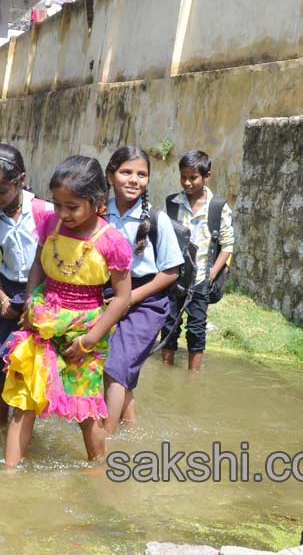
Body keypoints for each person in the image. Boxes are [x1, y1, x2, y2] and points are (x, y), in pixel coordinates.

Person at [2, 156, 132, 470]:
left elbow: (122, 298)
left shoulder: (112, 243)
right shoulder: (49, 224)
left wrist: (89, 341)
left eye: (71, 207)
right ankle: (7, 475)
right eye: (57, 204)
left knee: (85, 410)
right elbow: (37, 265)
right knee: (25, 401)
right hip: (42, 324)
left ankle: (98, 472)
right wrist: (32, 304)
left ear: (97, 202)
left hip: (85, 332)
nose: (62, 213)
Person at [102, 146, 184, 432]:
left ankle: (106, 443)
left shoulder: (157, 220)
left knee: (114, 368)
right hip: (108, 296)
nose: (134, 179)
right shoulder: (100, 215)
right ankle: (132, 433)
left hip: (147, 300)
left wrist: (131, 298)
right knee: (122, 369)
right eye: (126, 172)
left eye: (142, 174)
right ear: (111, 175)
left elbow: (171, 271)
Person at [0, 144, 52, 425]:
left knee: (35, 367)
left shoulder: (46, 213)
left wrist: (37, 304)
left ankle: (25, 432)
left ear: (21, 180)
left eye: (1, 191)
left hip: (44, 295)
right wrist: (1, 297)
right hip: (8, 293)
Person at [159, 150, 235, 371]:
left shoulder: (218, 207)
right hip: (174, 277)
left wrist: (211, 274)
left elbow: (227, 245)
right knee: (169, 325)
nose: (187, 182)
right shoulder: (172, 203)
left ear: (206, 176)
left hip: (202, 277)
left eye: (193, 177)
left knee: (196, 329)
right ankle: (165, 370)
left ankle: (193, 377)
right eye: (183, 177)